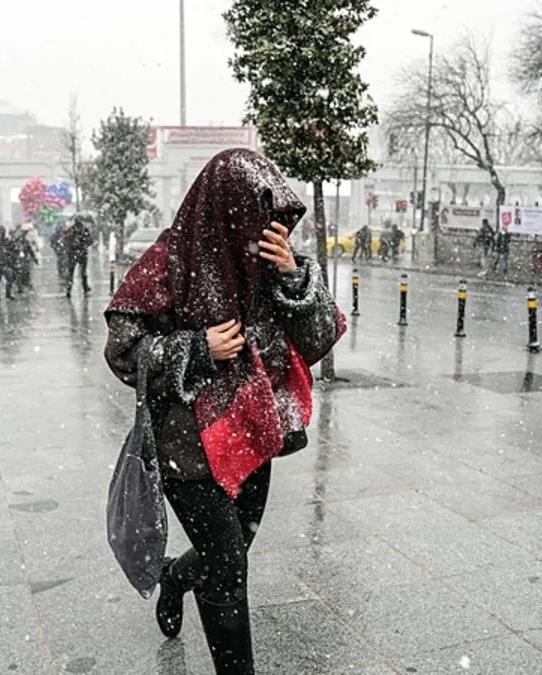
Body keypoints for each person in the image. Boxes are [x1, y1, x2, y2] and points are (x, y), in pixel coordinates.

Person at [104, 149, 344, 675]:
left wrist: (294, 278)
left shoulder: (272, 267)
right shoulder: (168, 261)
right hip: (185, 447)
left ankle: (175, 579)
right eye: (254, 219)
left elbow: (320, 339)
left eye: (272, 220)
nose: (264, 233)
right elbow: (122, 351)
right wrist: (195, 348)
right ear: (223, 210)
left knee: (235, 547)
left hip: (252, 435)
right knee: (229, 567)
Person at [64, 216, 94, 298]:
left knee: (71, 273)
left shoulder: (70, 229)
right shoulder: (85, 230)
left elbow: (66, 240)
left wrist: (69, 248)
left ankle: (68, 289)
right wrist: (84, 243)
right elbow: (90, 241)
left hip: (72, 254)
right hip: (82, 253)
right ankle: (85, 287)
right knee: (83, 272)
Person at [10, 226, 39, 295]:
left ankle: (25, 284)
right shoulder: (14, 242)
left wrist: (35, 259)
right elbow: (11, 251)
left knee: (25, 272)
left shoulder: (25, 242)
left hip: (24, 260)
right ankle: (20, 286)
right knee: (18, 273)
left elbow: (30, 251)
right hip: (17, 260)